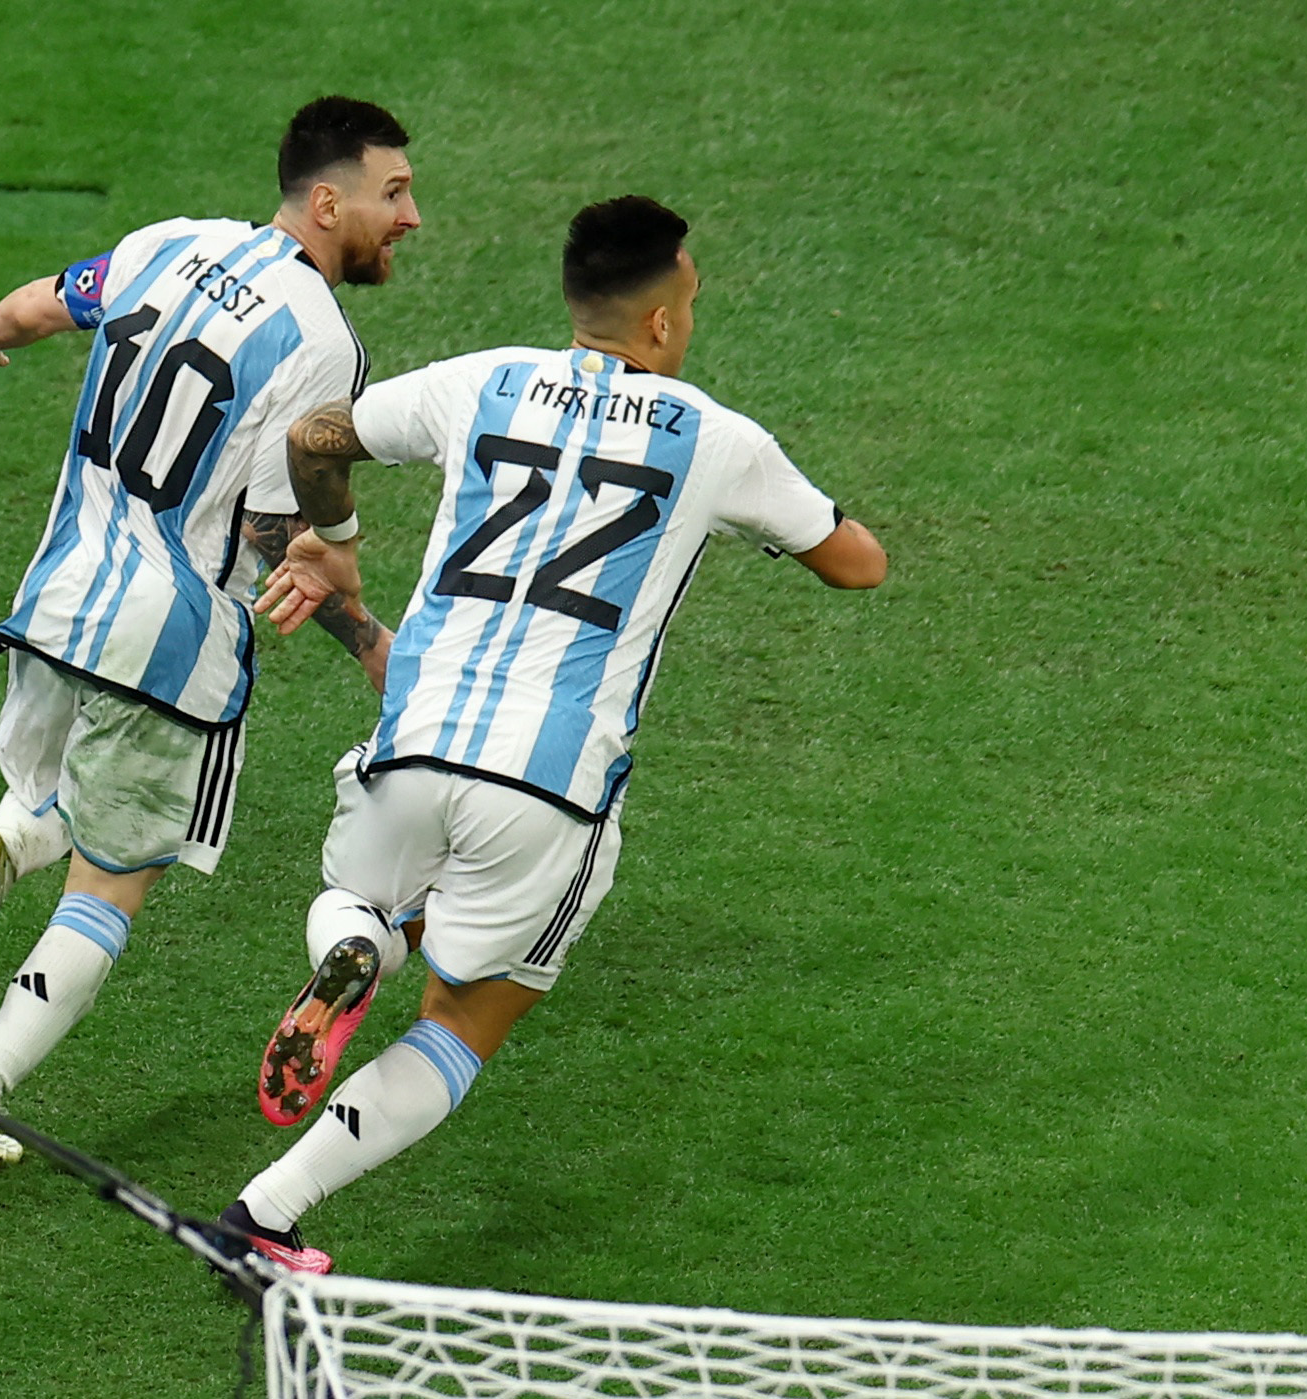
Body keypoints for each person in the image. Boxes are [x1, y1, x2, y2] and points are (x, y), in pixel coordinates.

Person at [214, 195, 886, 1272]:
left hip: (414, 733)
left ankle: (357, 943)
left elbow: (313, 436)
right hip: (548, 784)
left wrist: (332, 544)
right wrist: (777, 521)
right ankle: (264, 1214)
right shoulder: (717, 437)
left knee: (369, 897)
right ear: (662, 322)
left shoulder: (476, 380)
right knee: (461, 1022)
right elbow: (857, 562)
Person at [0, 95, 418, 1172]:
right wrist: (369, 641)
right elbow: (278, 529)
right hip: (169, 639)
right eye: (393, 194)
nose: (410, 217)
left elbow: (45, 303)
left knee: (52, 804)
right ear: (328, 202)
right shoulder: (322, 343)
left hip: (56, 594)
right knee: (114, 881)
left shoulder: (167, 243)